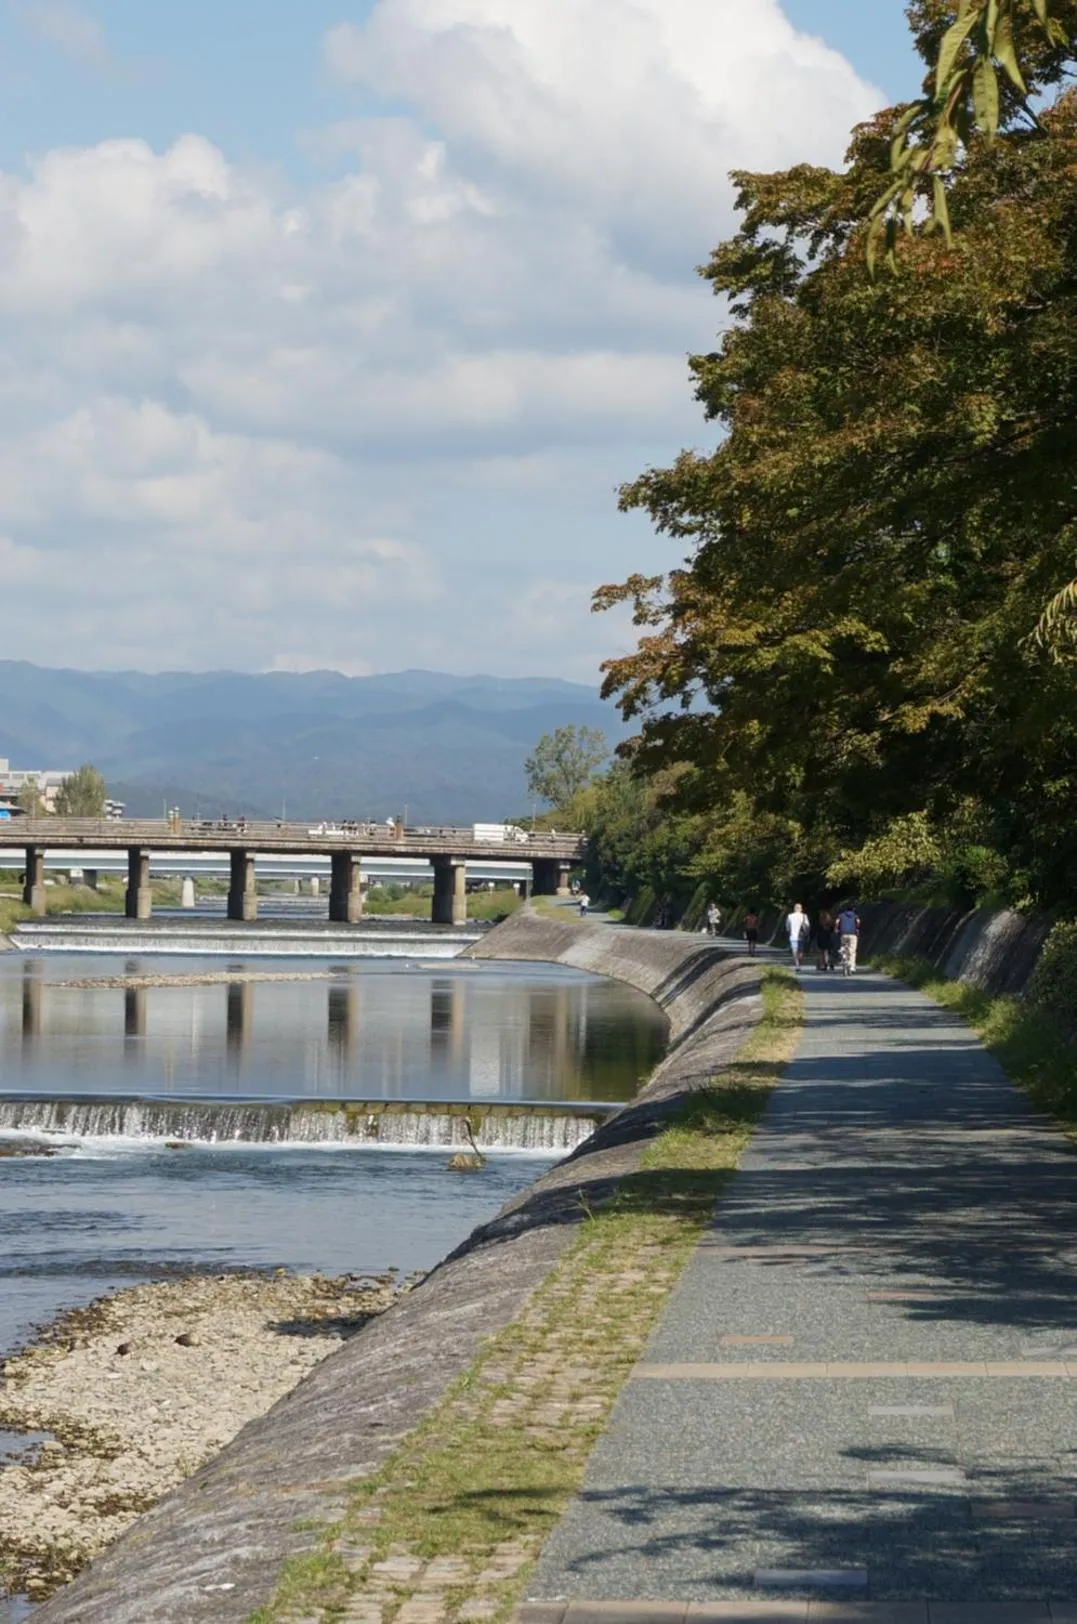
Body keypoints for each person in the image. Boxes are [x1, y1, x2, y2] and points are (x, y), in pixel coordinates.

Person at [837, 904, 861, 975]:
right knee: (852, 950)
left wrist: (836, 929)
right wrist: (857, 928)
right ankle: (851, 966)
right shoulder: (855, 915)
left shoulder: (841, 915)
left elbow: (837, 922)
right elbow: (858, 921)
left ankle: (843, 957)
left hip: (843, 934)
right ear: (853, 909)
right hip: (853, 934)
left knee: (843, 947)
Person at [786, 902, 808, 971]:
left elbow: (787, 926)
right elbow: (807, 926)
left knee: (794, 951)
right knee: (801, 951)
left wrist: (789, 931)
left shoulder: (790, 916)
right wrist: (806, 933)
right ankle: (799, 964)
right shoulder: (804, 916)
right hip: (801, 936)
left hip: (793, 936)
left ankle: (797, 964)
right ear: (801, 909)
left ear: (794, 909)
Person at [815, 907, 835, 972]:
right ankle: (831, 964)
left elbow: (816, 930)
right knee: (829, 952)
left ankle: (824, 965)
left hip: (821, 938)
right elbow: (832, 930)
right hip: (829, 937)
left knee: (822, 952)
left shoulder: (819, 922)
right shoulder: (830, 922)